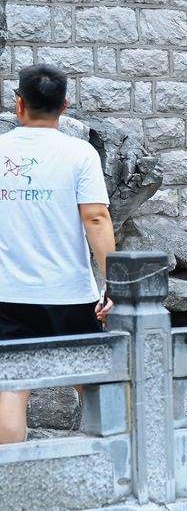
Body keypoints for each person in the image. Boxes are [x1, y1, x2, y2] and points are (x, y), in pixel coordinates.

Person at [0, 64, 115, 445]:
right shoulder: (80, 154)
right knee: (93, 386)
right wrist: (115, 284)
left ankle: (12, 485)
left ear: (19, 104)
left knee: (11, 389)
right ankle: (112, 472)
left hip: (9, 295)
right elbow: (96, 218)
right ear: (64, 106)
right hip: (70, 295)